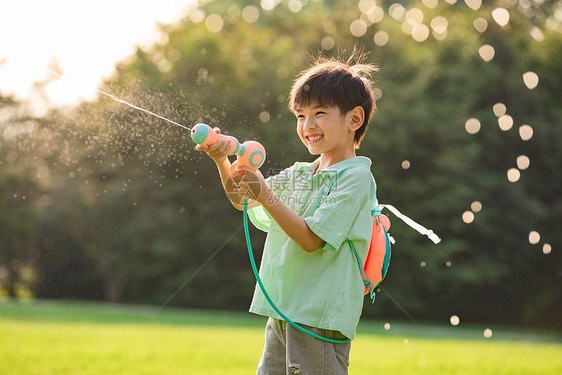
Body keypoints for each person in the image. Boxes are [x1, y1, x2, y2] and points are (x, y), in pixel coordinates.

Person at [196, 53, 379, 374]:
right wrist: (220, 160)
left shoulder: (356, 178)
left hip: (319, 317)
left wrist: (264, 192)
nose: (308, 125)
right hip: (283, 310)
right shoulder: (299, 174)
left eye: (320, 113)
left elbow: (311, 240)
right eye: (300, 115)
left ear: (354, 119)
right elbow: (243, 201)